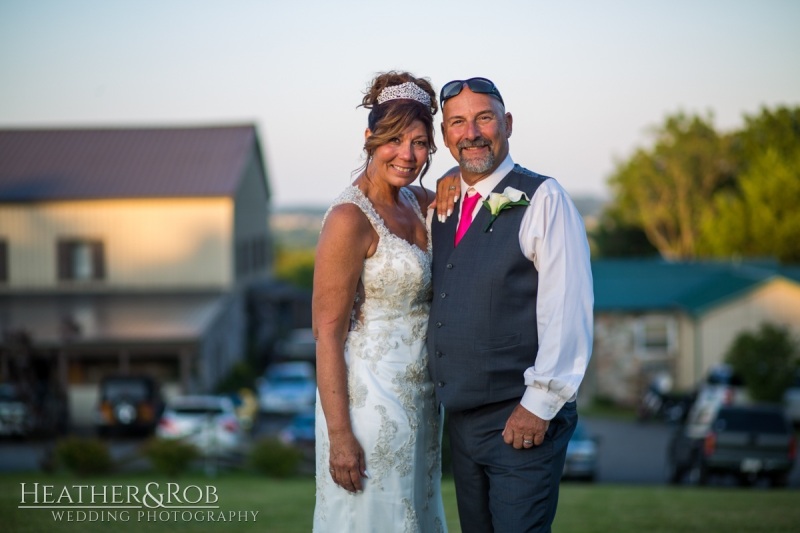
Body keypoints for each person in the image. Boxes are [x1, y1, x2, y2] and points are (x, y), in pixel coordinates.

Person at [427, 77, 594, 532]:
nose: (472, 132)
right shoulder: (442, 206)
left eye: (484, 118)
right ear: (445, 137)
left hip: (519, 417)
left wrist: (539, 405)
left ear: (508, 124)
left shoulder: (545, 199)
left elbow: (568, 308)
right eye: (458, 123)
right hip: (462, 424)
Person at [312, 71, 449, 532]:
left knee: (414, 512)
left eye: (420, 143)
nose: (408, 155)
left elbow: (468, 196)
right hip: (368, 401)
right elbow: (326, 332)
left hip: (422, 397)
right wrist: (340, 435)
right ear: (369, 138)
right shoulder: (349, 218)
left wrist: (451, 182)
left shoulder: (417, 201)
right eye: (394, 140)